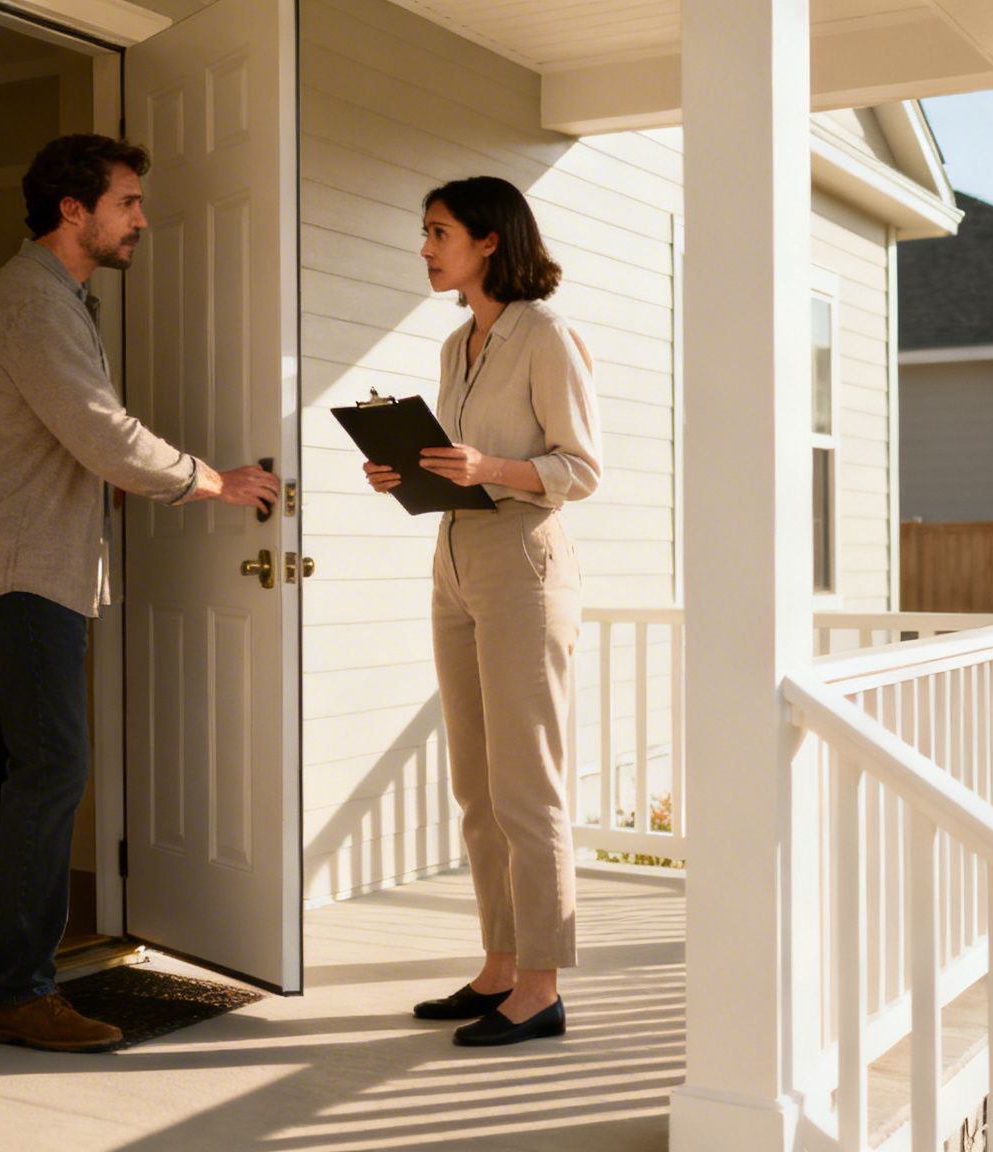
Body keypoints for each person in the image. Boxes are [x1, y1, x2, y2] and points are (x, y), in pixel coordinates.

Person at [0, 133, 279, 1053]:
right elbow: (103, 435)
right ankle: (20, 992)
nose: (143, 220)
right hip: (23, 571)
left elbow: (82, 440)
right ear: (73, 209)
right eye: (129, 203)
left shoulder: (55, 300)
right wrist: (215, 481)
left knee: (10, 752)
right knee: (53, 767)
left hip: (25, 563)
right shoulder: (31, 303)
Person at [364, 176, 600, 1047]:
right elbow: (457, 466)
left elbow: (580, 469)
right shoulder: (458, 344)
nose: (425, 247)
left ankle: (540, 987)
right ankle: (499, 966)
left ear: (489, 239)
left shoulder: (546, 334)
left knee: (525, 787)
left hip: (523, 567)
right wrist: (409, 474)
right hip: (454, 561)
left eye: (438, 232)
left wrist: (487, 468)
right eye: (424, 232)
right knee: (474, 784)